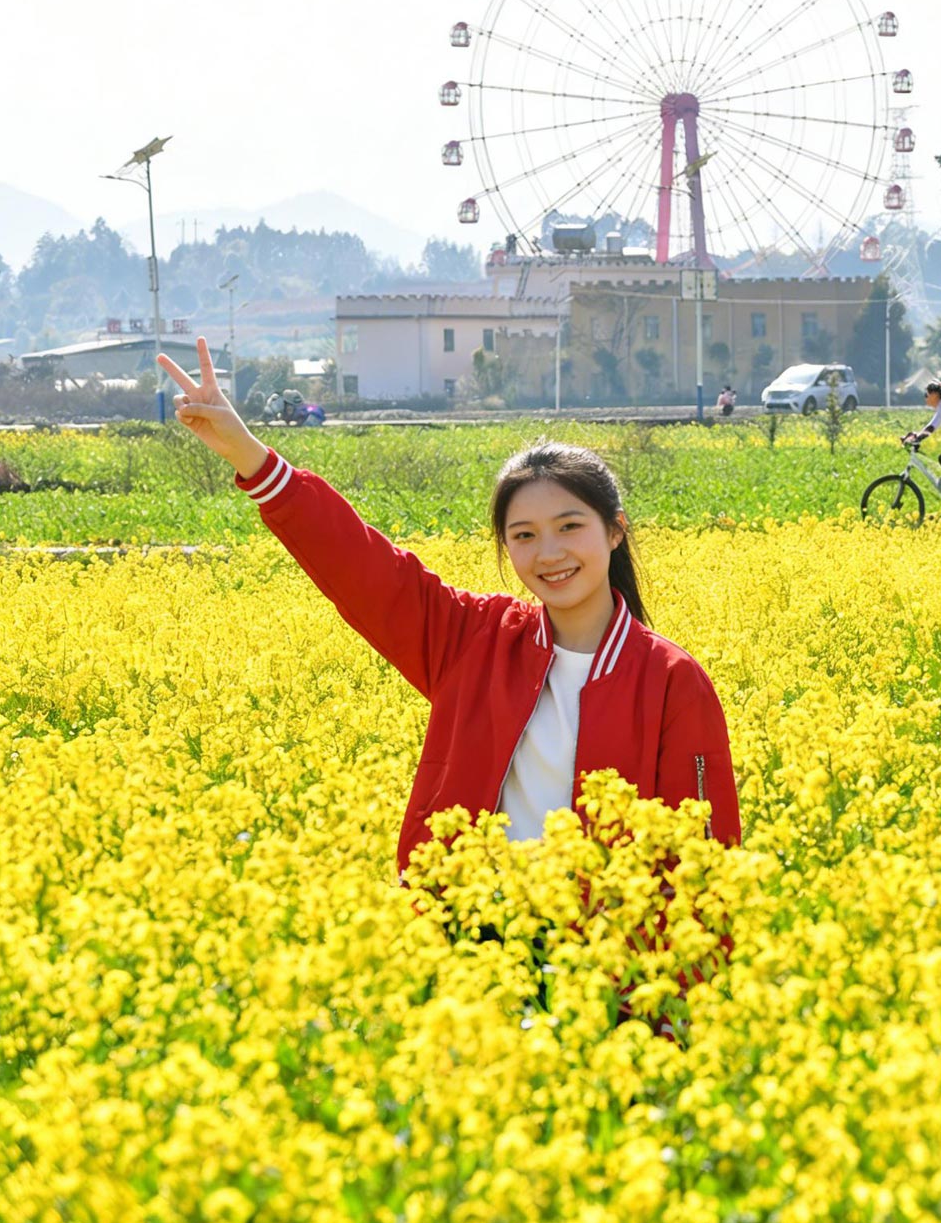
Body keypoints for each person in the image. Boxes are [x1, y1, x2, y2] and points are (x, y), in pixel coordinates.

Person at [158, 338, 742, 878]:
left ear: (615, 532)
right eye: (524, 535)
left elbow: (703, 866)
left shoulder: (671, 682)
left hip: (604, 949)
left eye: (570, 527)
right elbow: (363, 568)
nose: (549, 554)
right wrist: (249, 455)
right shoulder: (473, 640)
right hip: (466, 933)